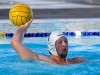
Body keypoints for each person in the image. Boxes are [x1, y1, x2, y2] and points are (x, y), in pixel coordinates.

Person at [11, 19, 86, 65]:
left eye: (65, 41)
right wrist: (24, 27)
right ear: (52, 46)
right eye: (60, 42)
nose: (64, 44)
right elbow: (15, 42)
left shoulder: (78, 60)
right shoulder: (44, 61)